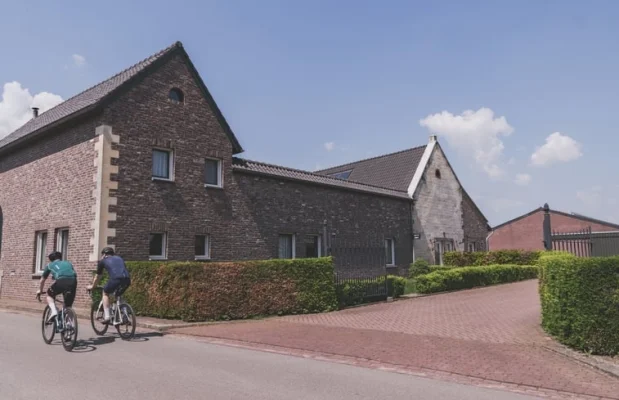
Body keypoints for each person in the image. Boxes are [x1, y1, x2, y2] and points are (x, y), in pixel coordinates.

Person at [87, 247, 131, 325]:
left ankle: (107, 316)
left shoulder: (102, 261)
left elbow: (98, 277)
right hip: (127, 279)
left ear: (104, 255)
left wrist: (92, 286)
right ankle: (126, 315)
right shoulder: (119, 258)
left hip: (115, 279)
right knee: (119, 295)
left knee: (105, 292)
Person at [36, 251, 78, 324]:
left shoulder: (50, 265)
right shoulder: (68, 263)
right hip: (73, 281)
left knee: (49, 294)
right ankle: (69, 327)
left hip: (61, 281)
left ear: (51, 259)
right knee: (68, 305)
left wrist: (40, 290)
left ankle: (54, 311)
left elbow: (42, 280)